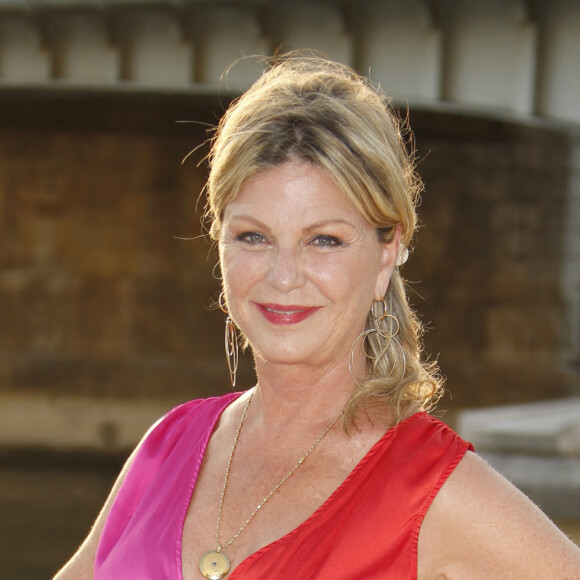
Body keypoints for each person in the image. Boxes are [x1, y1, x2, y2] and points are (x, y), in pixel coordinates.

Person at [54, 54, 580, 580]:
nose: (283, 276)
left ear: (387, 252)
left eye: (323, 240)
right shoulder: (167, 449)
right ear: (219, 242)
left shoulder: (432, 493)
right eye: (252, 236)